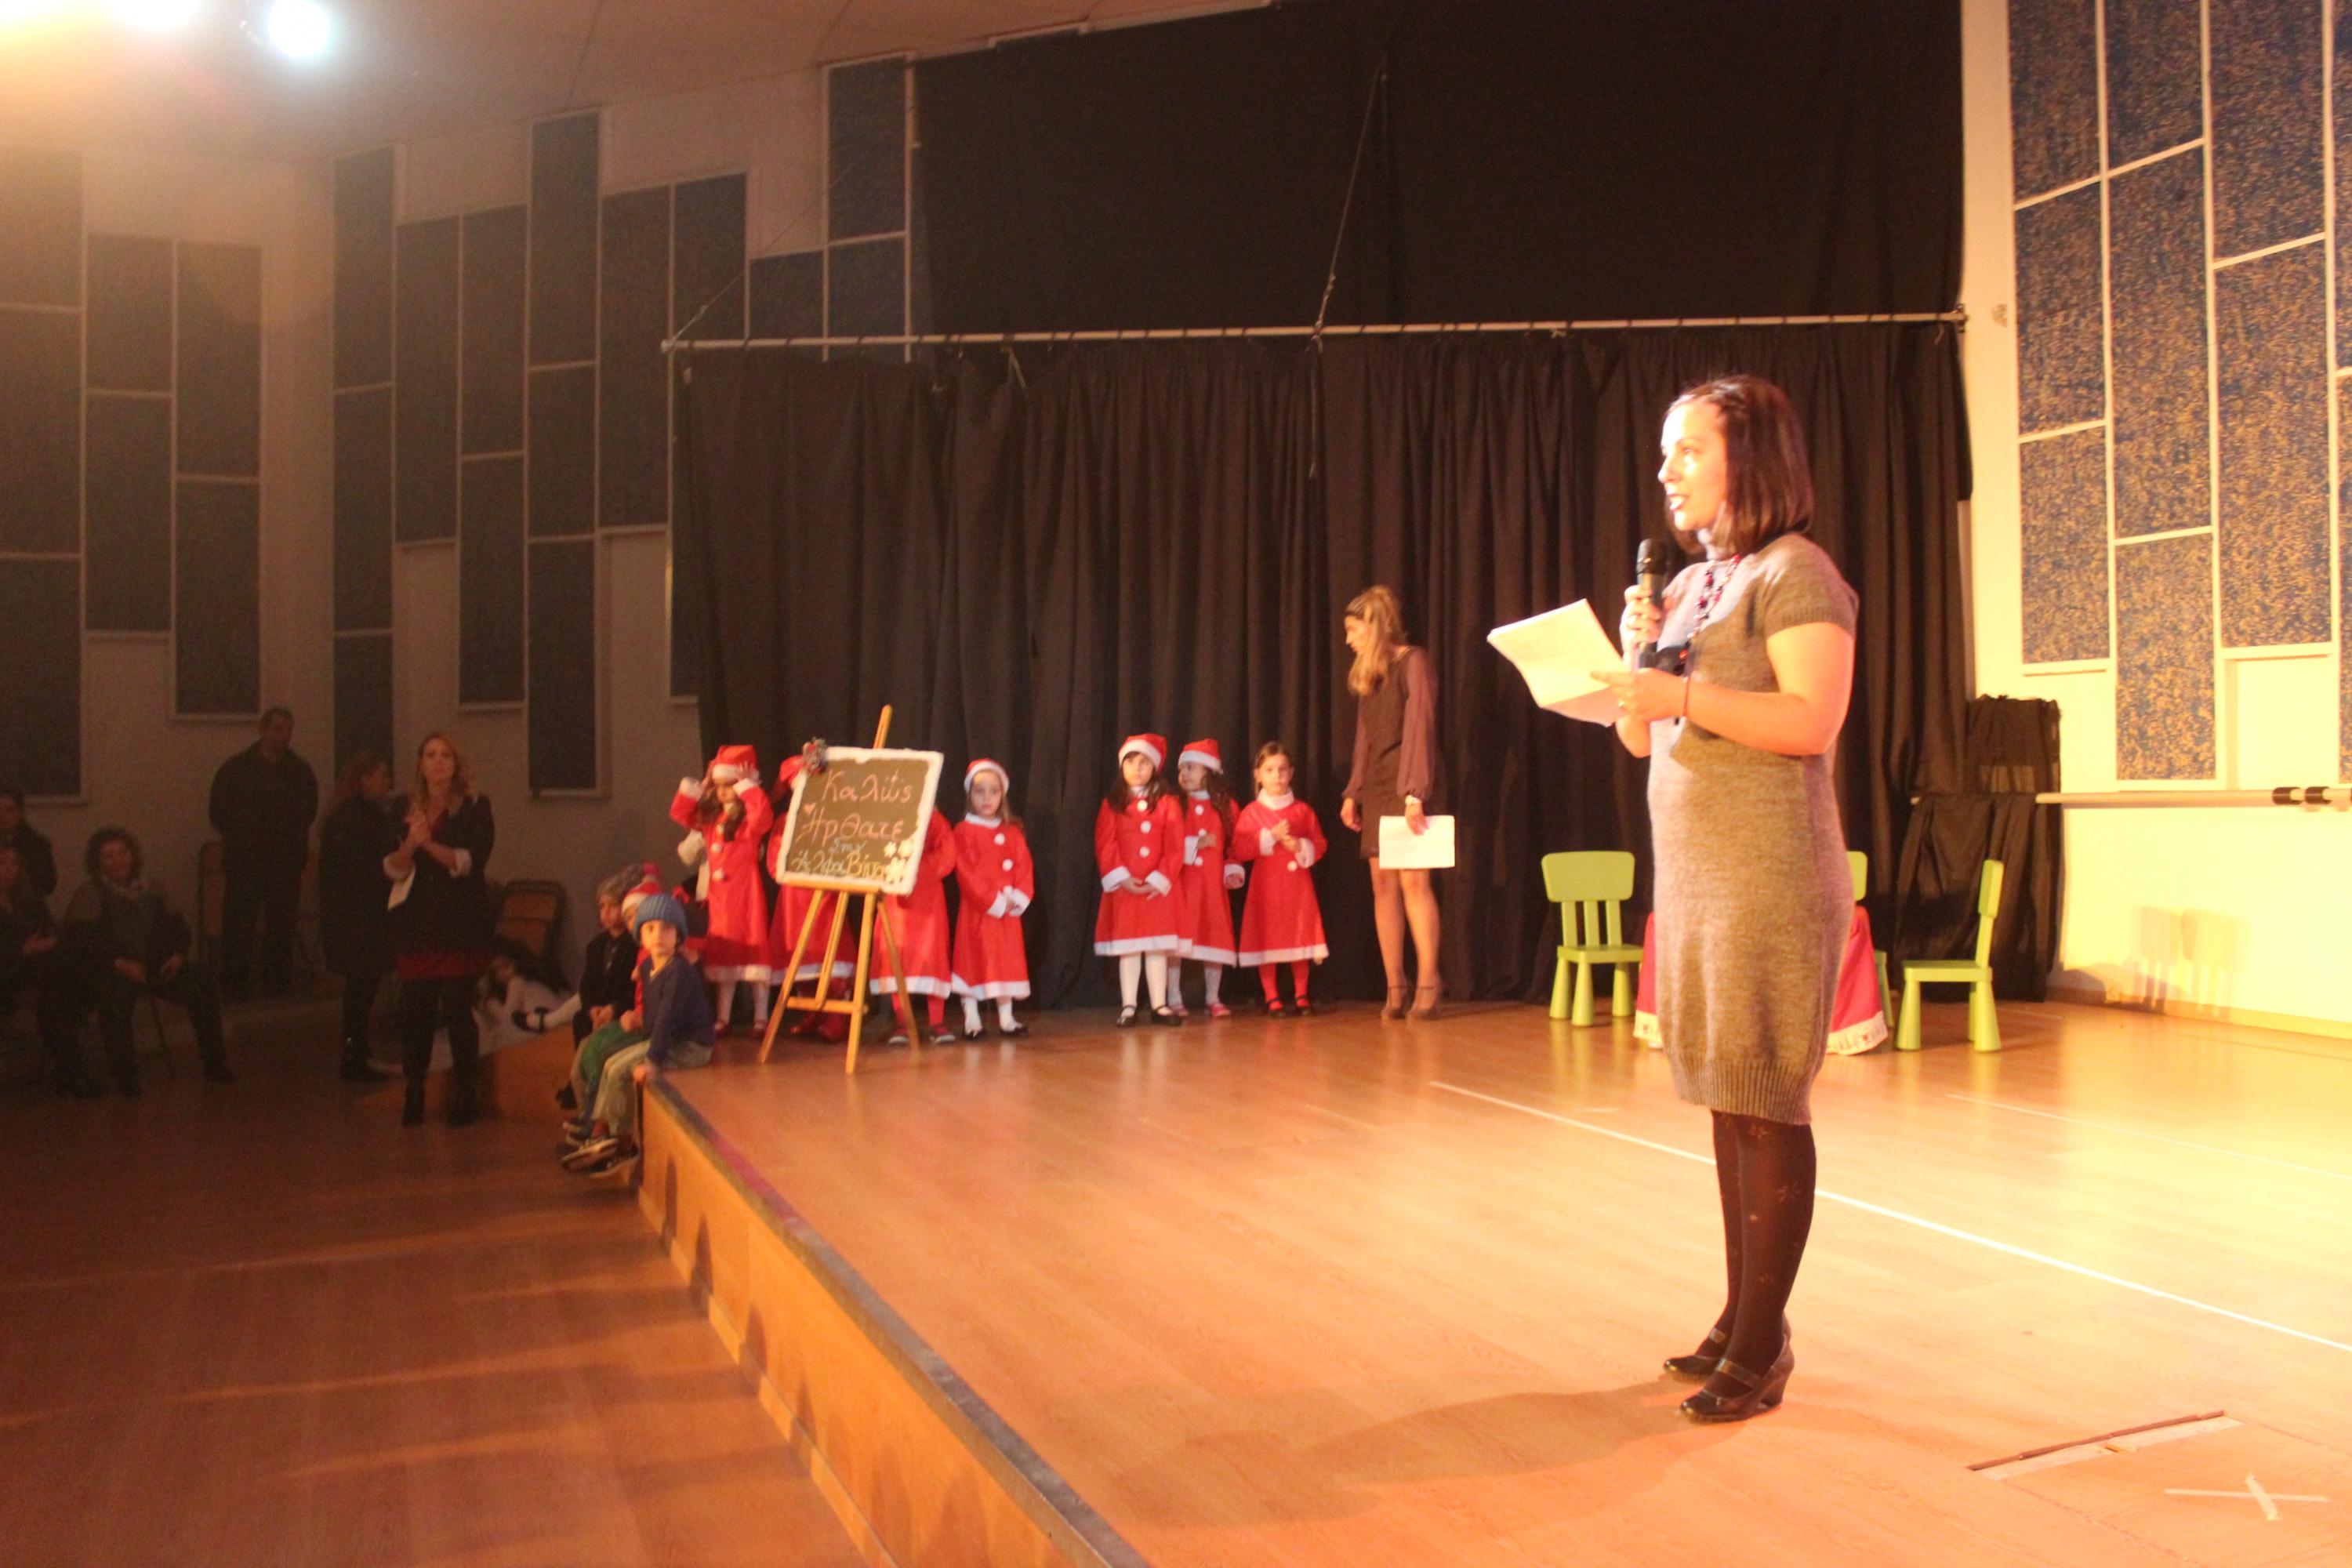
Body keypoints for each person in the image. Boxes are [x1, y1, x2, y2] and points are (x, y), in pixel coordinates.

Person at [1591, 374, 1857, 1424]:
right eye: (1666, 453)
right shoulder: (1697, 585)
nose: (1667, 471)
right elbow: (1637, 735)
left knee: (1767, 1099)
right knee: (1728, 1095)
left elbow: (1811, 719)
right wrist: (1636, 661)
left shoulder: (1797, 573)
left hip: (1770, 873)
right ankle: (1745, 1315)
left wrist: (1681, 692)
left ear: (1750, 459)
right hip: (1701, 876)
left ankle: (1762, 1345)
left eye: (1688, 450)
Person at [1338, 586, 1444, 1021]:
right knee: (1382, 884)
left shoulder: (1412, 661)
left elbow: (1421, 725)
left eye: (1353, 630)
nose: (1349, 639)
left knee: (1414, 884)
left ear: (1374, 624)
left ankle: (1429, 980)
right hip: (1379, 786)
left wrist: (1415, 792)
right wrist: (1354, 791)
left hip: (1410, 783)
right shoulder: (1372, 674)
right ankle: (1395, 983)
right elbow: (1365, 738)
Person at [62, 827, 232, 1091]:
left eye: (123, 853)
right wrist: (119, 963)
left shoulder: (152, 887)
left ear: (133, 855)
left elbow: (179, 927)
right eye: (109, 856)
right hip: (112, 968)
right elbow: (82, 942)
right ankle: (125, 1077)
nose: (118, 861)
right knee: (115, 998)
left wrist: (178, 955)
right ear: (98, 862)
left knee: (201, 982)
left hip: (155, 965)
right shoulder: (90, 893)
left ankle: (215, 1064)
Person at [385, 732, 495, 1127]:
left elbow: (469, 862)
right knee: (416, 1013)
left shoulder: (476, 807)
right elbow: (391, 867)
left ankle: (466, 1095)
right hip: (417, 922)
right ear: (421, 763)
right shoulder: (403, 807)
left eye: (445, 756)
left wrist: (427, 843)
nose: (438, 763)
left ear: (456, 764)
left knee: (457, 1009)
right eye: (431, 755)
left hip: (458, 922)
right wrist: (410, 846)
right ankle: (414, 1092)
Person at [565, 892, 713, 1181]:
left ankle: (623, 1143)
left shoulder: (678, 973)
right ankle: (602, 1130)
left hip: (690, 1045)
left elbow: (667, 1019)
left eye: (667, 929)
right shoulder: (647, 967)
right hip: (667, 1038)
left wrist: (652, 1062)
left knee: (622, 1070)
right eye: (650, 929)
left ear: (678, 936)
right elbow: (655, 1014)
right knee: (610, 1064)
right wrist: (638, 1021)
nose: (658, 935)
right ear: (640, 936)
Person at [207, 706, 319, 1001]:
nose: (284, 736)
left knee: (281, 926)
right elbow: (218, 811)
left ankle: (276, 985)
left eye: (289, 730)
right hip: (245, 861)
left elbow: (307, 812)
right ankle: (234, 986)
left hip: (284, 862)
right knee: (238, 925)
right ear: (263, 730)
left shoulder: (299, 772)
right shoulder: (236, 770)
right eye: (278, 729)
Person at [669, 746, 771, 1033]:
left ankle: (761, 1015)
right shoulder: (711, 821)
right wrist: (701, 787)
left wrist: (748, 787)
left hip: (746, 898)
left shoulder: (748, 823)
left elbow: (762, 817)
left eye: (730, 785)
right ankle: (723, 1017)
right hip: (721, 901)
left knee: (754, 957)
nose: (724, 792)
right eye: (720, 786)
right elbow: (680, 814)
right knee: (724, 957)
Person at [1093, 733, 1185, 1027]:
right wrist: (1122, 877)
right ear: (1122, 766)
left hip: (1156, 891)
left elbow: (1175, 846)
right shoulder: (1113, 804)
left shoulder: (1168, 804)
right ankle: (1129, 1005)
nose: (1137, 768)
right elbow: (1105, 844)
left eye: (1144, 762)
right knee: (1130, 949)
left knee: (1157, 948)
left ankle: (1159, 1004)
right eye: (1130, 761)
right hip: (1127, 889)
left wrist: (1159, 879)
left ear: (1154, 767)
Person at [318, 751, 399, 1081]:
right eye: (382, 776)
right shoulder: (354, 820)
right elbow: (362, 867)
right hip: (358, 918)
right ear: (364, 780)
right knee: (360, 992)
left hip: (356, 916)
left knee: (360, 991)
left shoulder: (351, 816)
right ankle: (354, 1055)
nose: (387, 783)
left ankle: (357, 1052)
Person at [1230, 742, 1329, 1014]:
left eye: (1282, 770)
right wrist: (1270, 837)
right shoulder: (1252, 812)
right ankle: (1271, 995)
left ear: (1292, 773)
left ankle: (1301, 993)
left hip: (1297, 888)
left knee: (1300, 935)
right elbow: (1240, 849)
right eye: (1270, 770)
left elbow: (1320, 844)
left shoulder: (1303, 811)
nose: (1277, 776)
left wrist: (1300, 846)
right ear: (1258, 775)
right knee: (1267, 937)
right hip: (1267, 889)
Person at [0, 842, 94, 1095]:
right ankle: (73, 1075)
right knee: (60, 986)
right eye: (1, 862)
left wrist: (50, 939)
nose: (8, 869)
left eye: (14, 863)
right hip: (10, 977)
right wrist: (24, 951)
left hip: (44, 972)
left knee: (56, 992)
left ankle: (71, 1075)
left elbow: (49, 927)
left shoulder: (28, 900)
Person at [949, 760, 1034, 1040]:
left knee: (1005, 963)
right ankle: (972, 1018)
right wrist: (994, 901)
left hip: (1007, 914)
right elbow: (966, 873)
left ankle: (1006, 1018)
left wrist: (1017, 897)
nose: (987, 798)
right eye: (980, 791)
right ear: (970, 795)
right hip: (979, 912)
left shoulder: (1012, 831)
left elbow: (1024, 867)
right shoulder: (963, 831)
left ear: (1002, 795)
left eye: (993, 792)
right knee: (973, 961)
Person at [1171, 739, 1243, 1018]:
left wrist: (1233, 868)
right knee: (1177, 943)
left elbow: (1235, 844)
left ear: (1208, 771)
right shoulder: (1174, 805)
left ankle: (1213, 997)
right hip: (1183, 886)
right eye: (1181, 769)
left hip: (1212, 887)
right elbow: (1167, 844)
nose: (1184, 774)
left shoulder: (1226, 807)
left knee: (1215, 939)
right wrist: (1194, 844)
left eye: (1191, 767)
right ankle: (1173, 997)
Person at [874, 804, 956, 1046]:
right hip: (896, 899)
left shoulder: (935, 819)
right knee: (897, 957)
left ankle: (936, 1021)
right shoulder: (885, 816)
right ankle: (903, 1022)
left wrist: (915, 869)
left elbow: (947, 855)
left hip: (928, 900)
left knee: (932, 957)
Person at [0, 786, 59, 900]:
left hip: (29, 904)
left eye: (9, 810)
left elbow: (48, 884)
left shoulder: (37, 844)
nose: (3, 816)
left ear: (20, 813)